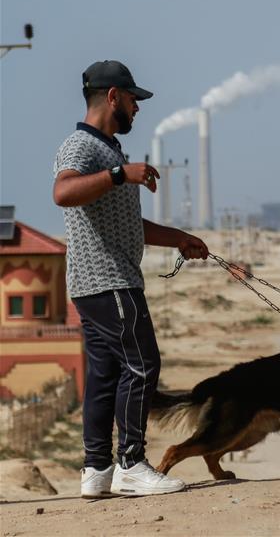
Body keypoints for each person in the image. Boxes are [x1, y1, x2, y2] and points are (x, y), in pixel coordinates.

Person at [54, 60, 209, 497]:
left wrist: (179, 238)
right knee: (143, 365)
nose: (137, 110)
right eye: (133, 100)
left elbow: (128, 224)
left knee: (105, 375)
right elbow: (63, 193)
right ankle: (132, 464)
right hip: (109, 279)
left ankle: (96, 471)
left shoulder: (108, 150)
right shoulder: (81, 147)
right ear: (112, 97)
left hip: (97, 284)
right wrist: (122, 174)